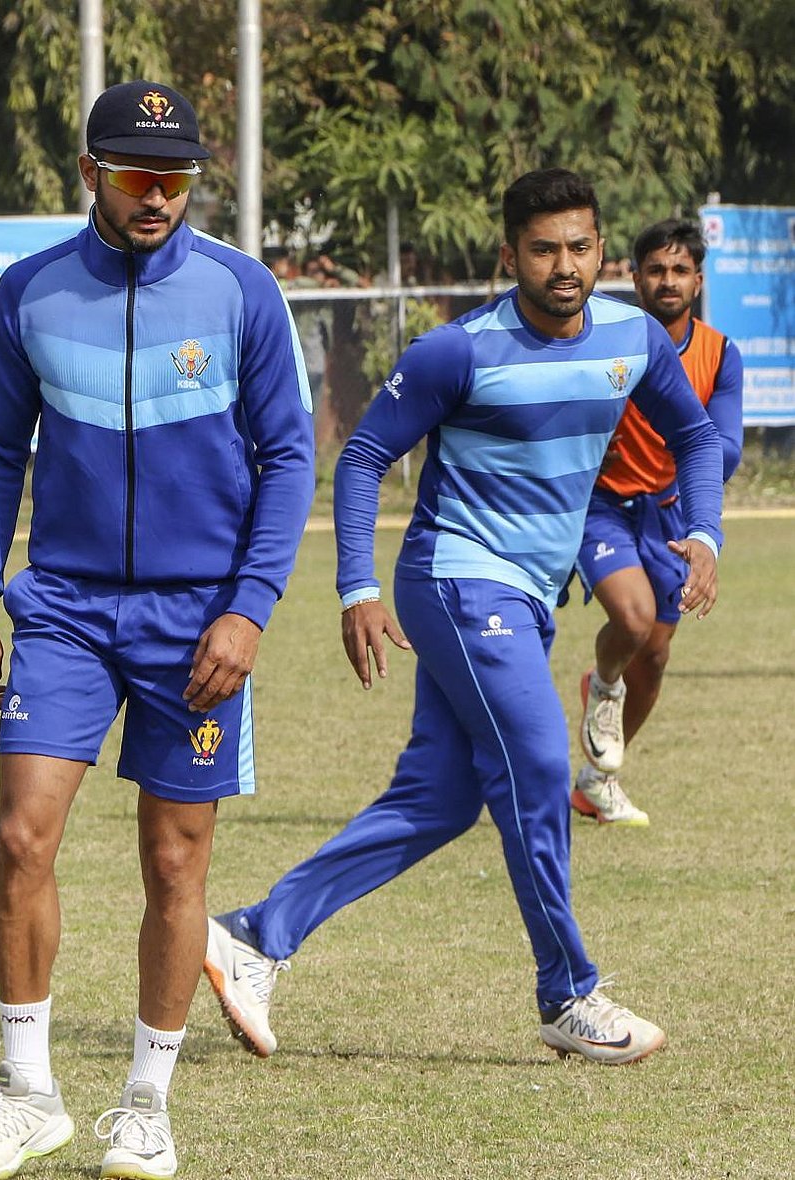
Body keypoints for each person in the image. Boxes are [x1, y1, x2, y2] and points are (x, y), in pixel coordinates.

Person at [201, 170, 724, 1068]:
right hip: (456, 584)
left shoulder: (634, 338)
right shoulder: (459, 351)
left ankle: (254, 934)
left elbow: (697, 436)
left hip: (526, 596)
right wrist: (356, 588)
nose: (565, 266)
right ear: (508, 254)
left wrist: (705, 530)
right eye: (544, 249)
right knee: (540, 763)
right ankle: (567, 992)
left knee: (438, 800)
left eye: (581, 247)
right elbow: (363, 457)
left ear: (602, 250)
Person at [0, 79, 314, 1180]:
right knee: (22, 836)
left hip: (200, 619)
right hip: (60, 605)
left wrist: (248, 609)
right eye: (138, 175)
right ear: (91, 175)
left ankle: (145, 1101)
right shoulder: (30, 293)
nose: (159, 197)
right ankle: (26, 1093)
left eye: (179, 177)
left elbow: (291, 456)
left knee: (173, 858)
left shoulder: (244, 292)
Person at [573, 219, 743, 825]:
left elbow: (725, 446)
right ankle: (603, 685)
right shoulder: (609, 339)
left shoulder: (719, 353)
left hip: (668, 510)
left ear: (697, 281)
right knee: (634, 617)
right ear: (633, 275)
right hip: (602, 502)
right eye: (655, 269)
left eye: (679, 271)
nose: (667, 281)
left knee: (656, 655)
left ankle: (596, 782)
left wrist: (685, 441)